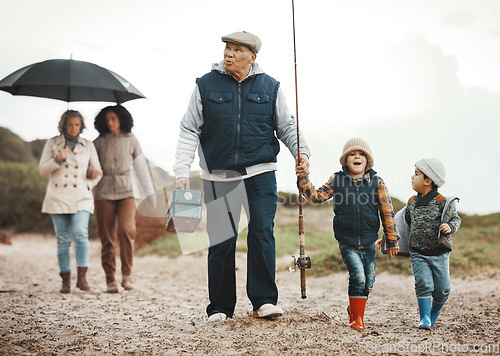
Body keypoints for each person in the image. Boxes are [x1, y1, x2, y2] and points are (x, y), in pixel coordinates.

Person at [173, 31, 310, 321]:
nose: (229, 53)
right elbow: (189, 129)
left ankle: (263, 301)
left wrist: (302, 153)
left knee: (262, 232)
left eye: (237, 49)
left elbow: (287, 126)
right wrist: (181, 172)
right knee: (221, 241)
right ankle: (221, 307)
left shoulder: (270, 86)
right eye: (227, 48)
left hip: (260, 173)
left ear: (252, 57)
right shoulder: (204, 85)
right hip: (217, 175)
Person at [296, 137, 399, 330]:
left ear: (367, 160)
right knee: (358, 276)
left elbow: (387, 212)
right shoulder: (337, 180)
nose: (357, 157)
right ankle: (356, 319)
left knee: (369, 281)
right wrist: (303, 178)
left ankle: (354, 307)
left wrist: (391, 239)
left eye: (361, 154)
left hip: (368, 241)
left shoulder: (377, 182)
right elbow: (315, 197)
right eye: (352, 154)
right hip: (347, 241)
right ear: (345, 160)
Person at [93, 105, 156, 293]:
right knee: (107, 237)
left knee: (127, 230)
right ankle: (110, 279)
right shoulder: (97, 142)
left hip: (127, 190)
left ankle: (127, 276)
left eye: (113, 118)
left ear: (121, 118)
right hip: (103, 191)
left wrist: (150, 194)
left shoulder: (131, 140)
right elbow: (88, 167)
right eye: (107, 120)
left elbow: (141, 168)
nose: (110, 122)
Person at [38, 110, 102, 293]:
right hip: (57, 196)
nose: (73, 128)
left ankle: (82, 278)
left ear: (81, 125)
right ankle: (65, 280)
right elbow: (42, 170)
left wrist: (90, 181)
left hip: (81, 195)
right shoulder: (53, 143)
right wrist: (57, 160)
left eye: (77, 124)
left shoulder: (88, 145)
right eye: (70, 124)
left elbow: (98, 171)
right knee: (63, 239)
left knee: (81, 233)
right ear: (64, 125)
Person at [400, 158, 460, 329]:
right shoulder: (412, 202)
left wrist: (449, 226)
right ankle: (424, 317)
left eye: (416, 174)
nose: (412, 177)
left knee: (442, 290)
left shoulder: (442, 202)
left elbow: (456, 218)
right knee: (423, 284)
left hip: (439, 253)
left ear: (428, 181)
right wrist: (389, 238)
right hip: (418, 253)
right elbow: (404, 224)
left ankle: (433, 315)